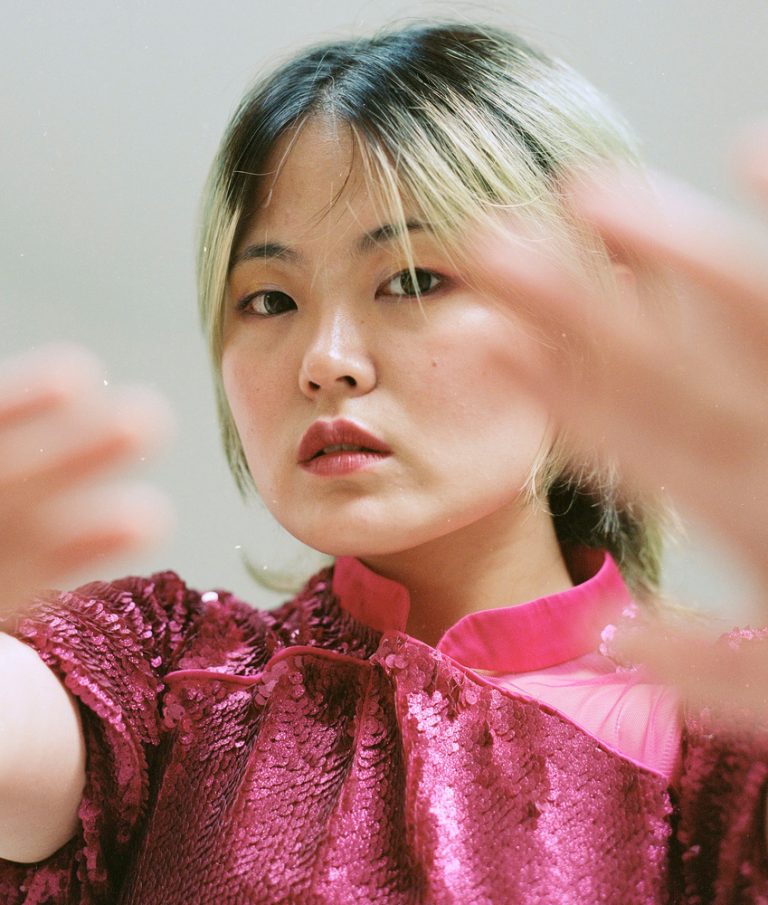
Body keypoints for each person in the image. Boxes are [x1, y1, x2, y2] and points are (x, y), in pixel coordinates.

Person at [0, 19, 766, 904]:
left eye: (413, 279)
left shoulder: (729, 734)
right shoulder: (159, 673)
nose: (326, 359)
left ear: (595, 316)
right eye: (270, 298)